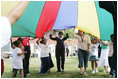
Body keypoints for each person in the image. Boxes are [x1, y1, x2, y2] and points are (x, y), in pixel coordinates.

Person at [1, 1, 29, 76]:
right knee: (17, 71)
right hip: (17, 62)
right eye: (20, 43)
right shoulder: (17, 49)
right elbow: (14, 16)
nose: (21, 44)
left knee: (18, 70)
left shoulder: (18, 47)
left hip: (18, 62)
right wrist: (24, 53)